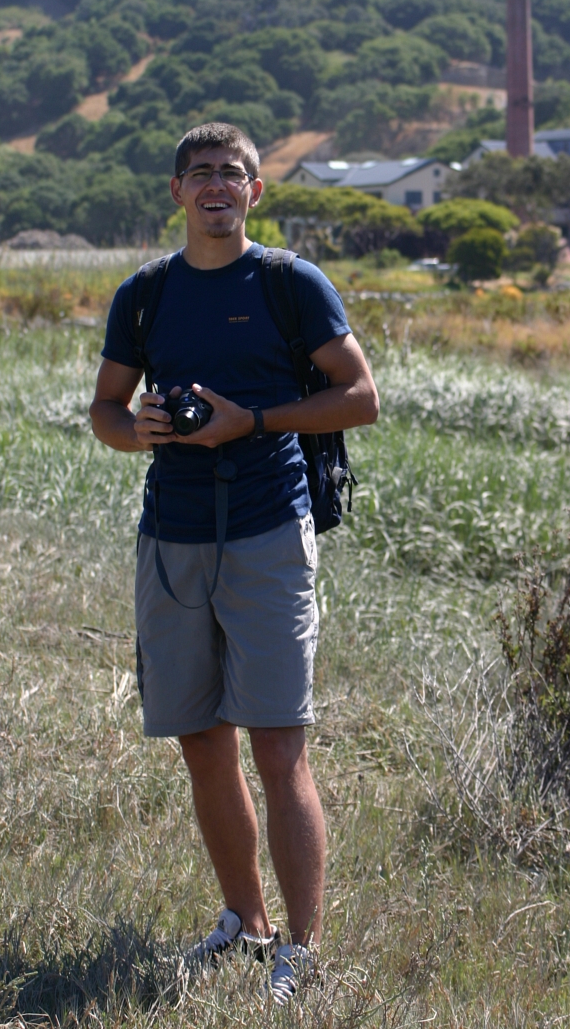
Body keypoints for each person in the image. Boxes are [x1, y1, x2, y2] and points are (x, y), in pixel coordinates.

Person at [89, 121, 379, 1004]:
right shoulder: (146, 293)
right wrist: (139, 429)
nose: (217, 184)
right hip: (171, 535)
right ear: (178, 191)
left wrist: (250, 421)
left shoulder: (290, 283)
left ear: (255, 191)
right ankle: (246, 926)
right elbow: (104, 411)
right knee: (201, 741)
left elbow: (360, 397)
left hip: (267, 532)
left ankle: (303, 950)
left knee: (279, 743)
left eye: (232, 172)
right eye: (201, 172)